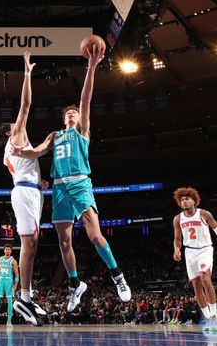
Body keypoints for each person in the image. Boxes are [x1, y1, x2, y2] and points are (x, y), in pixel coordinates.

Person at [11, 45, 131, 312]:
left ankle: (118, 276)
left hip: (79, 183)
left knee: (95, 236)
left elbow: (86, 98)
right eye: (68, 112)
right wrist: (21, 151)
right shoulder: (56, 135)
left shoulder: (82, 132)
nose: (71, 113)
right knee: (64, 241)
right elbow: (39, 151)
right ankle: (75, 285)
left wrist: (91, 68)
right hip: (59, 189)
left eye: (74, 112)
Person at [0, 51, 48, 326]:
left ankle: (27, 295)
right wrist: (27, 74)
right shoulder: (14, 136)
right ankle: (23, 299)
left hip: (32, 190)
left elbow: (28, 161)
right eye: (14, 126)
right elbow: (25, 104)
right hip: (25, 193)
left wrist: (39, 181)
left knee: (34, 243)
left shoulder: (12, 148)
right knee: (28, 243)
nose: (19, 124)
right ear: (8, 131)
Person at [172, 187, 217, 331]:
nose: (185, 201)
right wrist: (176, 250)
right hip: (189, 252)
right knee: (196, 285)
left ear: (194, 201)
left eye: (187, 199)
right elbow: (177, 239)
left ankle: (214, 315)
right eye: (182, 200)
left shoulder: (204, 213)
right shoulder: (178, 218)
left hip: (205, 249)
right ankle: (207, 317)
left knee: (205, 278)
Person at [0, 246, 19, 326]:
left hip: (9, 281)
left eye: (9, 249)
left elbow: (16, 274)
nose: (7, 250)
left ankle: (9, 321)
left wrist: (15, 285)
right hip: (0, 281)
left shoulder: (13, 261)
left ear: (11, 251)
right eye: (6, 249)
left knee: (9, 301)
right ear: (4, 250)